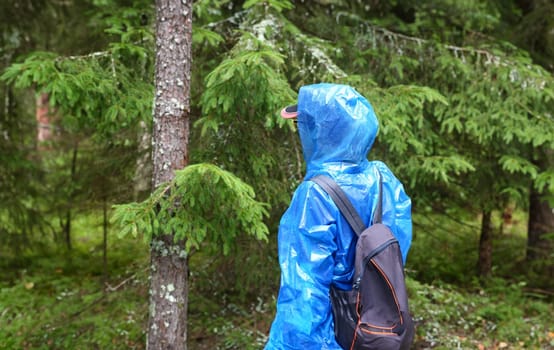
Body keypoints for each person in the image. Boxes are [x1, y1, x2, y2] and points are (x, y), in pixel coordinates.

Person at [264, 83, 412, 350]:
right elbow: (395, 252)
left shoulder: (314, 195)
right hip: (377, 329)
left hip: (332, 335)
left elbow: (304, 293)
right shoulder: (384, 179)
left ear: (320, 131)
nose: (300, 132)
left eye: (303, 124)